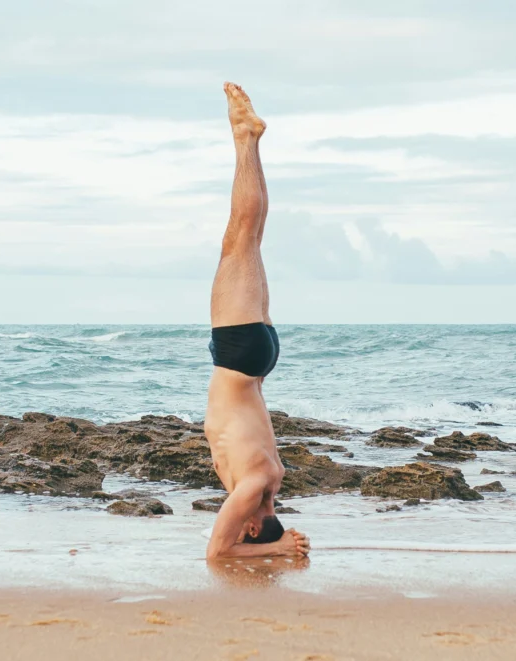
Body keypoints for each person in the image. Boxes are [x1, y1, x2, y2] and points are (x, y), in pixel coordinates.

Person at [203, 82, 311, 561]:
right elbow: (217, 554)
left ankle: (248, 138)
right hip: (239, 355)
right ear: (250, 526)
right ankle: (245, 137)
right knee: (241, 238)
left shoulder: (272, 481)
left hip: (258, 356)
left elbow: (229, 546)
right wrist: (281, 549)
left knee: (247, 239)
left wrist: (282, 543)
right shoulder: (251, 488)